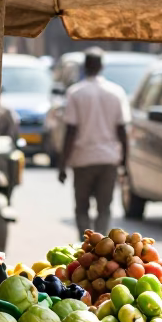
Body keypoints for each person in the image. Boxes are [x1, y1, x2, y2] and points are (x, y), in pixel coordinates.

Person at [57, 48, 130, 238]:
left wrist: (63, 164)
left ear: (85, 66)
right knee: (104, 208)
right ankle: (101, 246)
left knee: (82, 208)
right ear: (101, 67)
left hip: (83, 159)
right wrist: (125, 162)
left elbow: (71, 131)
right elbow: (122, 130)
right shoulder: (116, 92)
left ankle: (86, 244)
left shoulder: (75, 93)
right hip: (108, 160)